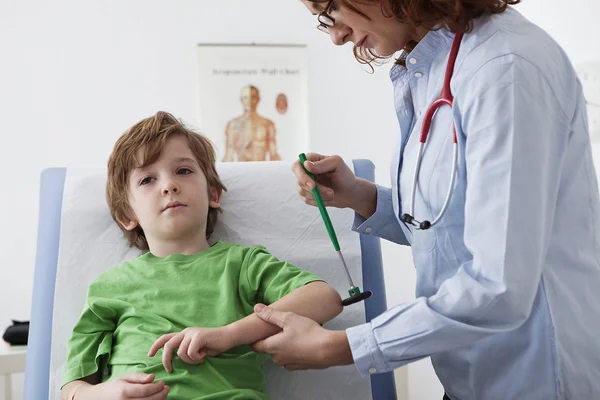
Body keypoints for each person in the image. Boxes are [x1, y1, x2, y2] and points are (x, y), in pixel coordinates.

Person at [250, 1, 600, 399]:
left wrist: (341, 346)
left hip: (531, 379)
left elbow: (498, 285)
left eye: (331, 8)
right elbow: (447, 228)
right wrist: (358, 196)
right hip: (468, 375)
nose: (335, 35)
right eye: (323, 20)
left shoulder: (505, 68)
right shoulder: (434, 68)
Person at [59, 111, 342, 400]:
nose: (168, 185)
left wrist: (229, 335)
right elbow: (72, 388)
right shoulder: (108, 288)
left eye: (183, 171)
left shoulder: (243, 265)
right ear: (126, 215)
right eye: (147, 180)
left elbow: (324, 298)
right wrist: (104, 394)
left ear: (213, 194)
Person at [223, 85, 281, 162]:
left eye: (253, 97)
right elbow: (229, 155)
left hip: (261, 169)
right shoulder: (232, 125)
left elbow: (273, 154)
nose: (249, 101)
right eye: (246, 97)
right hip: (241, 170)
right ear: (241, 100)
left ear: (258, 99)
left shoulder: (268, 124)